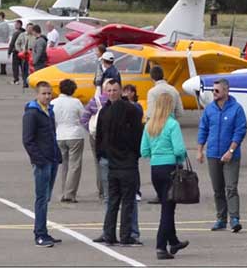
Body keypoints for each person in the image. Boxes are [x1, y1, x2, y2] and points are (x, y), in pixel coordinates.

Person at [140, 93, 189, 260]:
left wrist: (157, 153)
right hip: (170, 168)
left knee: (167, 206)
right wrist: (180, 158)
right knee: (167, 210)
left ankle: (173, 241)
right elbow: (179, 150)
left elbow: (144, 151)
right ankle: (161, 246)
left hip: (155, 168)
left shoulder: (150, 125)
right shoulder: (172, 124)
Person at [95, 79, 143, 246]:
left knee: (114, 200)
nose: (112, 93)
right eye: (109, 90)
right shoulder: (132, 110)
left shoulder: (107, 112)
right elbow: (138, 136)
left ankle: (111, 234)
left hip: (113, 162)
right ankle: (125, 235)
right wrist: (135, 154)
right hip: (125, 162)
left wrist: (103, 153)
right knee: (126, 201)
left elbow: (100, 137)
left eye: (115, 90)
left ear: (120, 91)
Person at [197, 78, 247, 233]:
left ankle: (234, 218)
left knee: (231, 187)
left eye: (217, 90)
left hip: (231, 155)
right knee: (217, 189)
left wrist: (230, 151)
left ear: (226, 91)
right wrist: (200, 150)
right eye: (213, 90)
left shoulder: (237, 109)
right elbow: (203, 129)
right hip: (213, 154)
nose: (214, 93)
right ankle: (221, 219)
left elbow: (240, 131)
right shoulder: (209, 109)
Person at [22, 81, 63, 247]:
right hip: (42, 162)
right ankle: (39, 233)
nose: (47, 96)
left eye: (49, 93)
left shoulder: (49, 111)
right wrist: (39, 160)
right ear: (37, 94)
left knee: (46, 198)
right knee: (41, 198)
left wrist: (57, 155)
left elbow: (52, 135)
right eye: (44, 93)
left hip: (52, 160)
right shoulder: (32, 113)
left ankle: (43, 231)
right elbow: (28, 140)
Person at [51, 79, 85, 203]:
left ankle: (62, 191)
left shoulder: (54, 102)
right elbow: (83, 117)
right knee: (74, 165)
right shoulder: (76, 102)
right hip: (75, 134)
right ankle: (70, 193)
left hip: (60, 134)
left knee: (64, 165)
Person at [80, 86, 108, 200]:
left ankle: (102, 190)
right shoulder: (117, 102)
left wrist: (91, 130)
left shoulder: (94, 101)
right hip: (111, 136)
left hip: (95, 136)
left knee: (98, 163)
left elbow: (83, 119)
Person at [15, 22, 35, 87]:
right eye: (29, 28)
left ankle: (32, 81)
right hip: (25, 54)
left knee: (32, 69)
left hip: (32, 54)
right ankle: (25, 82)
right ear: (26, 28)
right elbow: (17, 43)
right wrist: (20, 51)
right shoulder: (22, 35)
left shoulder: (34, 36)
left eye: (31, 28)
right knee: (24, 69)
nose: (30, 29)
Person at [8, 19, 25, 85]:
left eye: (16, 24)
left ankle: (16, 80)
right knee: (22, 66)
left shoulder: (16, 33)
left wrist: (9, 52)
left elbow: (12, 43)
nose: (15, 25)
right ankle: (24, 79)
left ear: (19, 25)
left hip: (16, 51)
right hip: (23, 51)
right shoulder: (24, 32)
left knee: (15, 66)